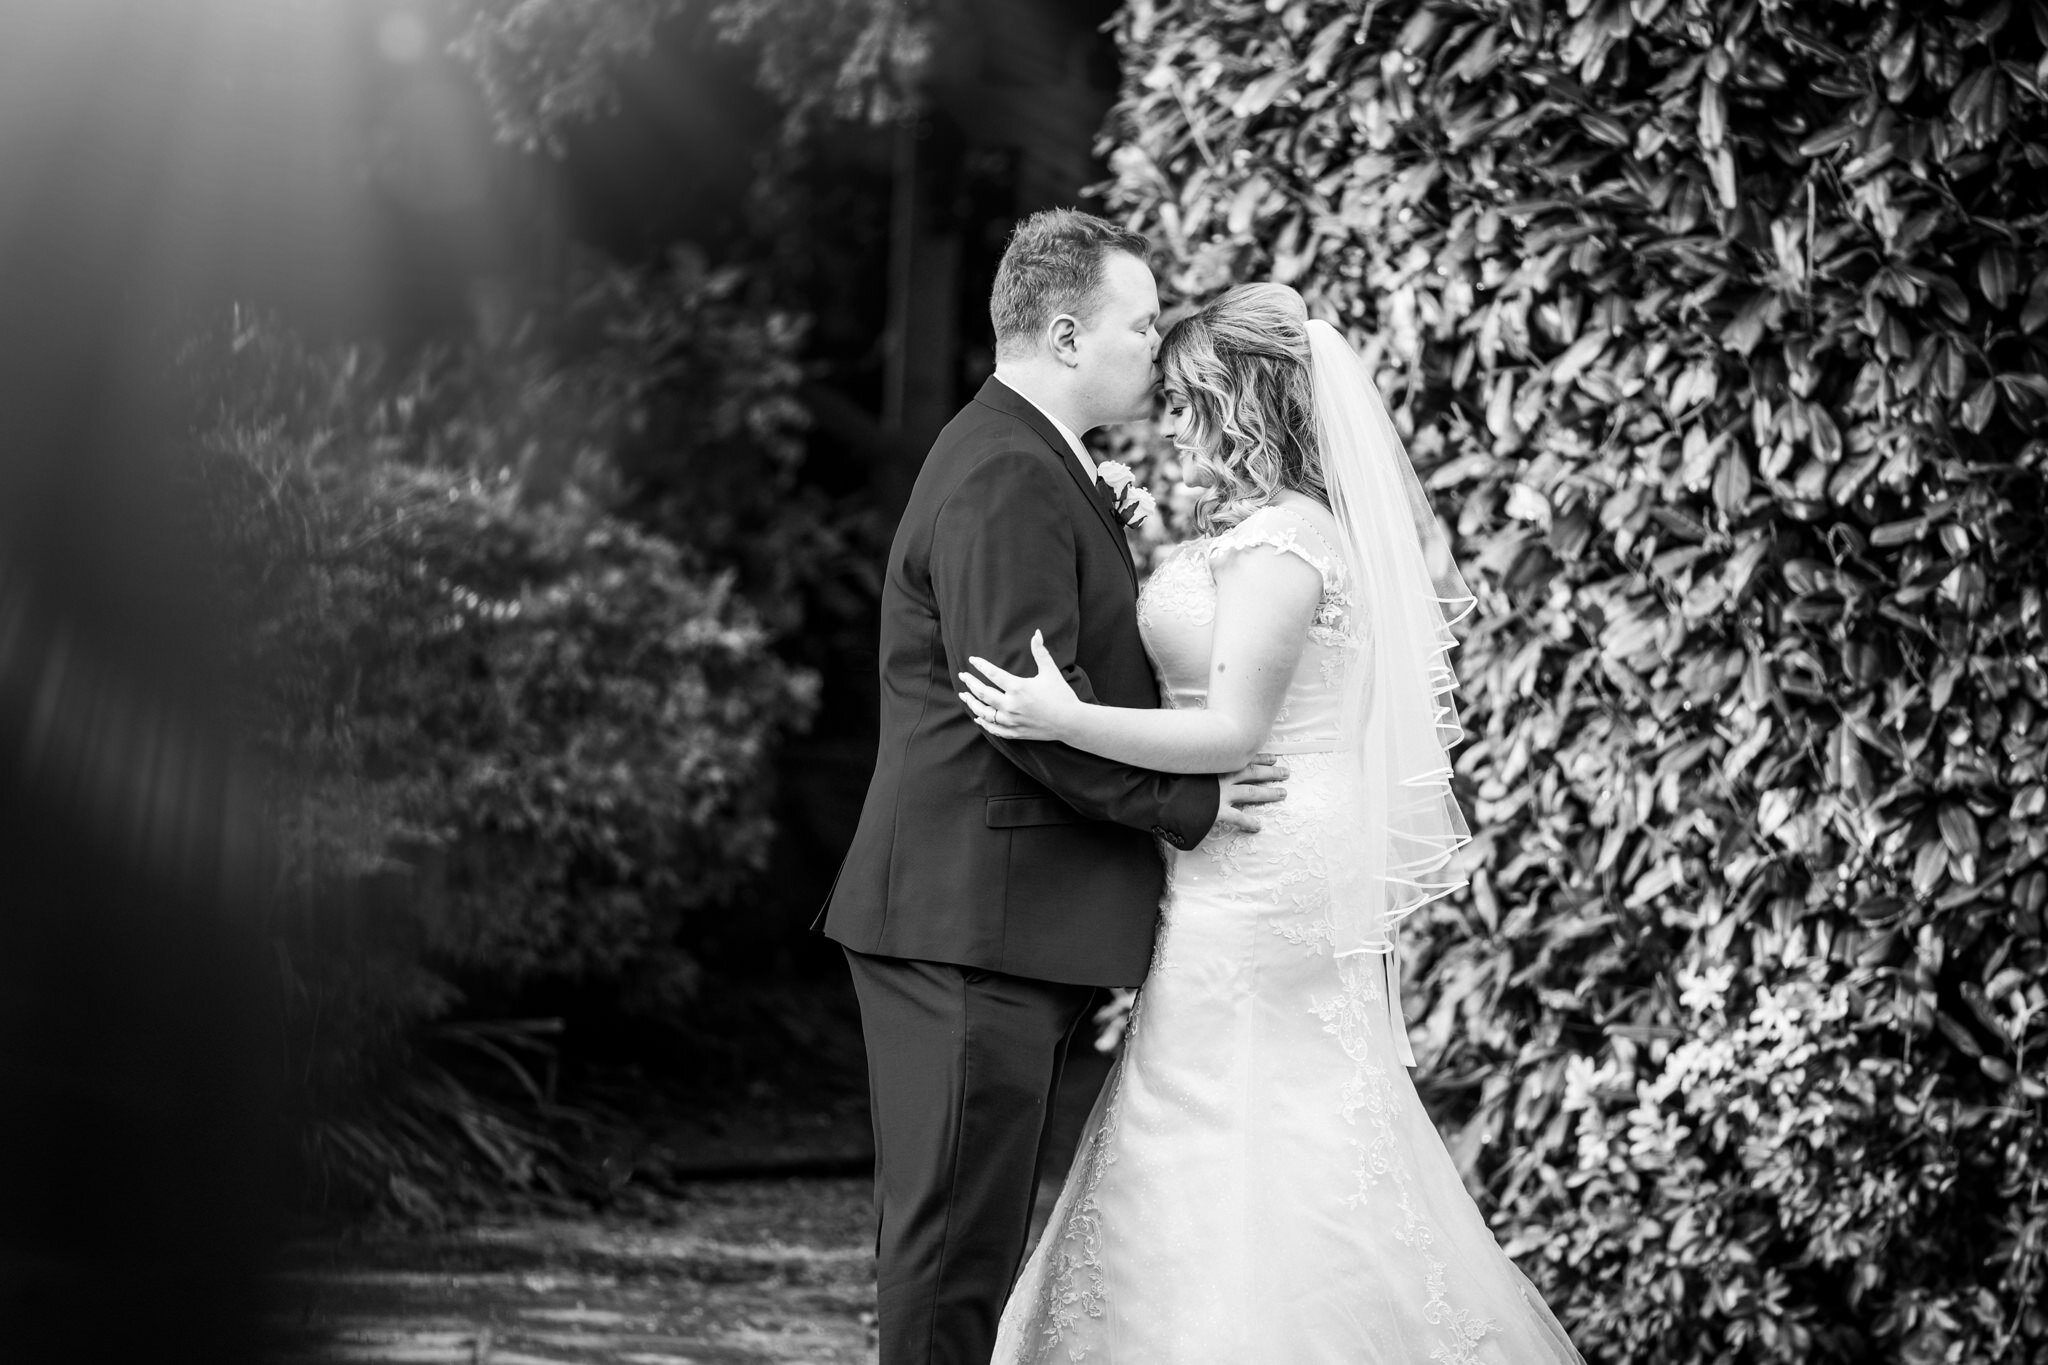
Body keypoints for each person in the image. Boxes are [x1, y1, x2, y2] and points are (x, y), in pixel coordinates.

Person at [960, 283, 1585, 1363]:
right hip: (1248, 847)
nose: (1166, 424)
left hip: (1265, 850)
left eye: (1186, 404)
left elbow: (1227, 732)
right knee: (1242, 1095)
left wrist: (1060, 718)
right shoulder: (1260, 534)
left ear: (1243, 406)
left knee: (1227, 1094)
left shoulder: (1285, 548)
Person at [815, 210, 1288, 1365]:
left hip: (988, 914)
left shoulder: (1029, 462)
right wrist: (1197, 807)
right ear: (1068, 334)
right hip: (969, 920)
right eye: (1141, 323)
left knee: (962, 1240)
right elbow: (1025, 718)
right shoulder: (1006, 474)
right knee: (947, 1255)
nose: (1156, 341)